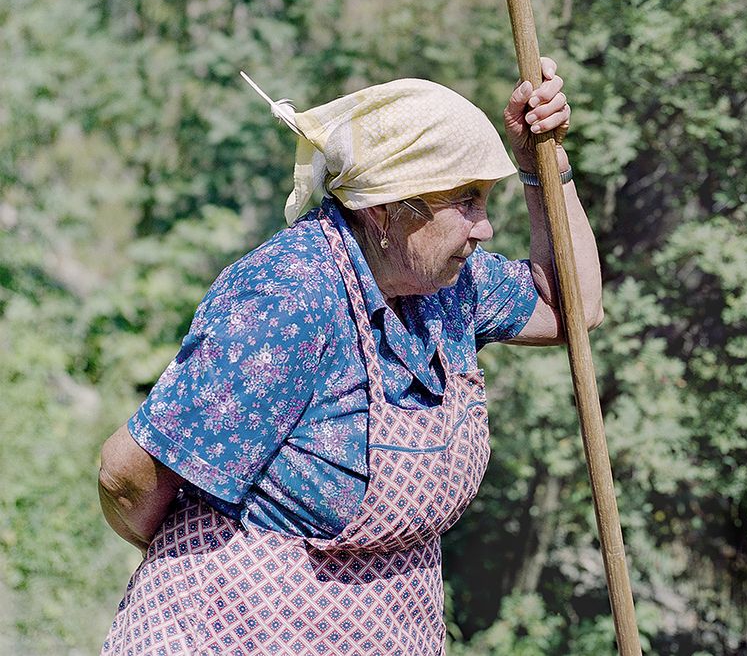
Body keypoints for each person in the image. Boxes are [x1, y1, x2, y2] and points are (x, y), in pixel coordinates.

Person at [98, 59, 602, 656]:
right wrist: (212, 561)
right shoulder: (290, 298)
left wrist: (545, 166)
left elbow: (575, 308)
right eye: (466, 203)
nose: (486, 229)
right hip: (231, 632)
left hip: (390, 629)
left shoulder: (447, 290)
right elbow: (127, 476)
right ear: (385, 208)